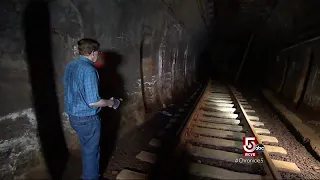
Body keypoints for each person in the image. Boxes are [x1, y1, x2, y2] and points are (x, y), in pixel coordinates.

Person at [63, 38, 120, 180]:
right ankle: (90, 177)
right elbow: (94, 101)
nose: (98, 55)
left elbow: (69, 86)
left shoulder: (70, 65)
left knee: (87, 148)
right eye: (98, 52)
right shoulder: (89, 70)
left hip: (73, 116)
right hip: (87, 119)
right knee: (91, 151)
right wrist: (111, 103)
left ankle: (90, 175)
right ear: (93, 52)